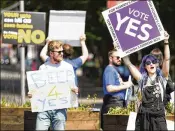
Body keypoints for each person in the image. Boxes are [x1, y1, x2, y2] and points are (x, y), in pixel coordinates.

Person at [28, 40, 78, 130]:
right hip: (44, 108)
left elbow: (72, 86)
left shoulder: (68, 67)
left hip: (60, 109)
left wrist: (75, 90)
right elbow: (38, 88)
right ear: (51, 53)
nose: (62, 54)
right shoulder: (43, 68)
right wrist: (32, 93)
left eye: (62, 51)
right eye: (59, 52)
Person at [100, 49, 133, 130]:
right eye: (117, 57)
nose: (120, 59)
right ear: (110, 58)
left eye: (120, 58)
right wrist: (126, 86)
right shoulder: (110, 70)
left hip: (116, 103)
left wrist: (125, 84)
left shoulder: (114, 70)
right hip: (113, 104)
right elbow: (110, 88)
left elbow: (116, 85)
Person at [150, 31, 174, 105]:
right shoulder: (146, 74)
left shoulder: (162, 73)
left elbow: (167, 59)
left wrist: (166, 41)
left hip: (161, 105)